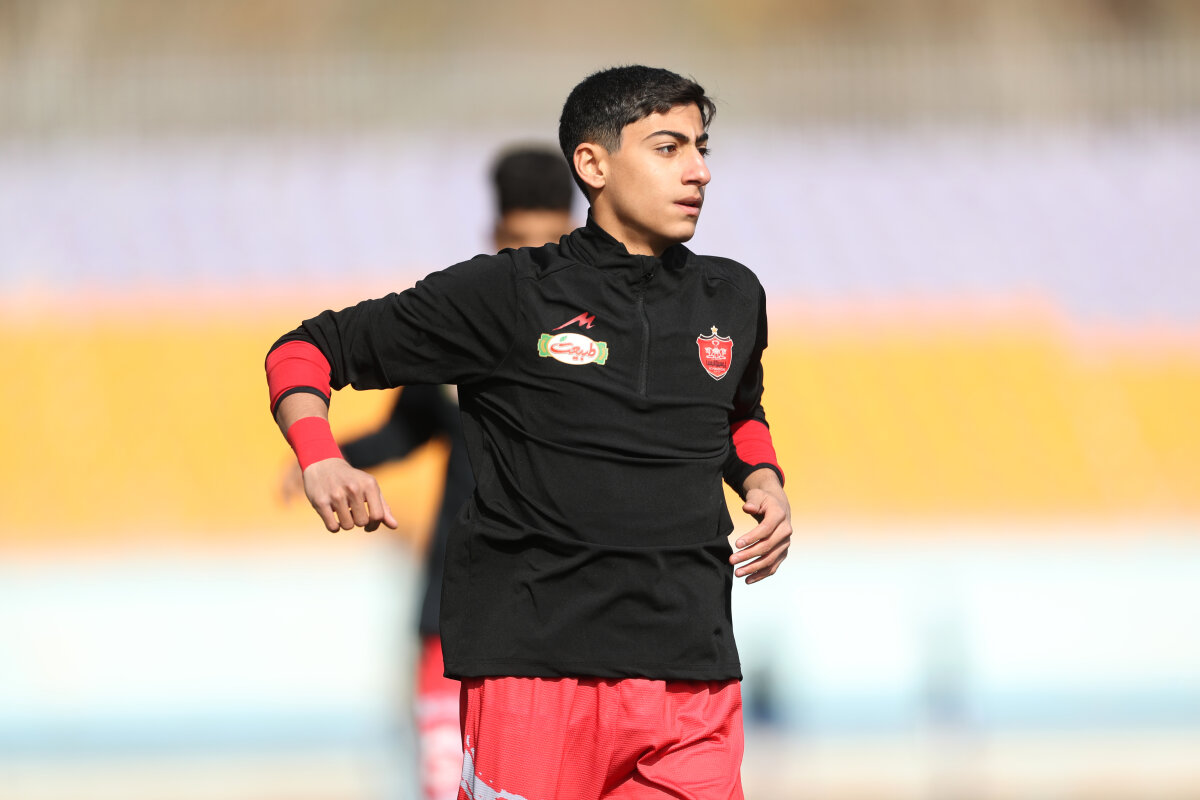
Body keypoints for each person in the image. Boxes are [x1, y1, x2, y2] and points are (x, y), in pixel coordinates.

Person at [265, 65, 791, 799]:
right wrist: (321, 456)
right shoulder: (506, 293)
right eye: (669, 148)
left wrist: (764, 480)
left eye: (702, 149)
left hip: (691, 678)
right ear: (593, 164)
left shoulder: (731, 295)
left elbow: (738, 411)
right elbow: (307, 349)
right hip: (534, 674)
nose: (699, 171)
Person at [279, 146, 576, 800]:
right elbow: (408, 428)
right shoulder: (461, 324)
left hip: (562, 621)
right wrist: (331, 455)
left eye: (547, 243)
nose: (530, 257)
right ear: (494, 234)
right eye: (517, 241)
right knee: (445, 786)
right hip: (455, 606)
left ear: (573, 234)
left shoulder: (602, 343)